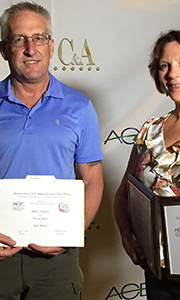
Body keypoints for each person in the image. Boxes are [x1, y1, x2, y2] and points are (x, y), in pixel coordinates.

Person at [0, 1, 103, 299]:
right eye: (20, 39)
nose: (31, 48)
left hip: (56, 262)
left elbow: (93, 179)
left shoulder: (79, 107)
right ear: (5, 49)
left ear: (51, 46)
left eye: (39, 38)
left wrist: (72, 233)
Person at [114, 28, 180, 300]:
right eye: (165, 65)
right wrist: (128, 238)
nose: (173, 73)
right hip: (160, 278)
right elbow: (123, 195)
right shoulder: (150, 131)